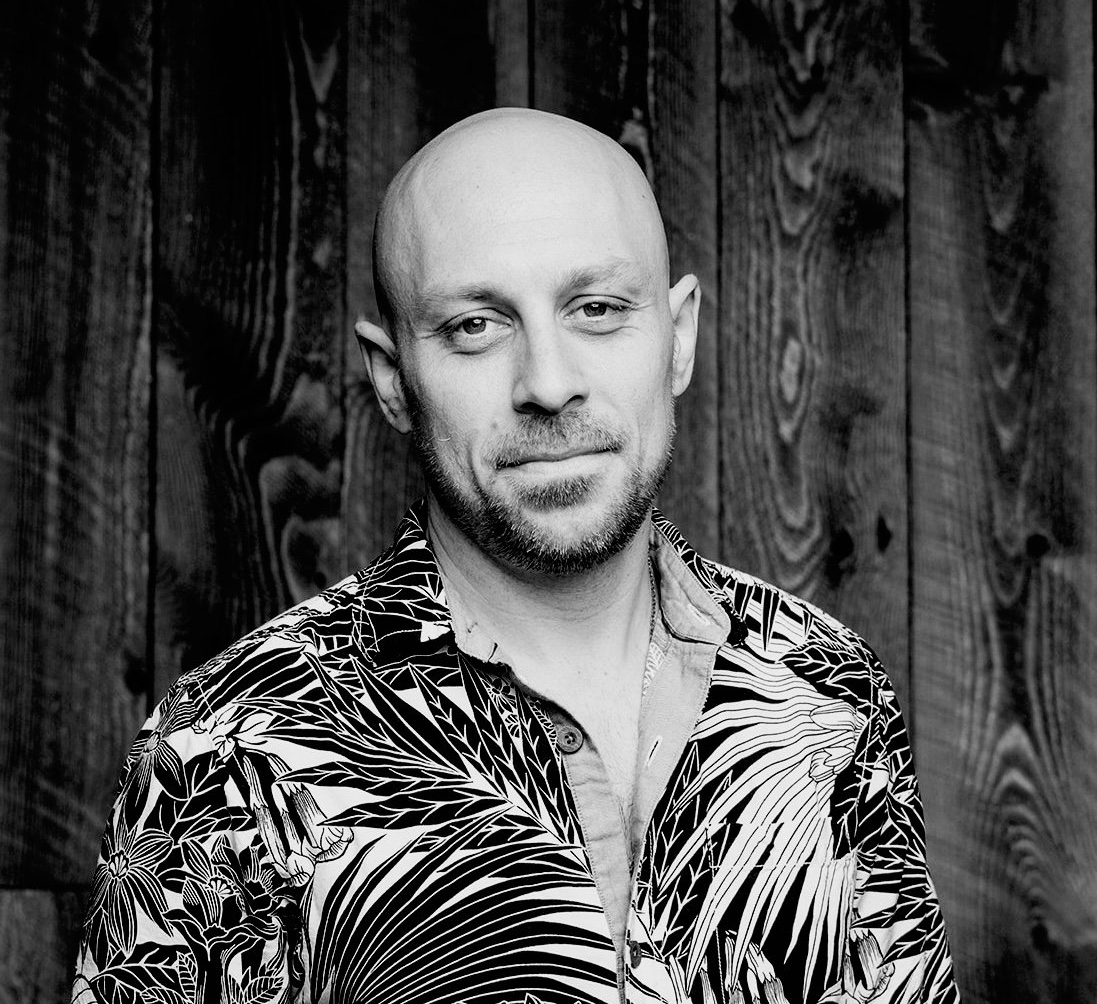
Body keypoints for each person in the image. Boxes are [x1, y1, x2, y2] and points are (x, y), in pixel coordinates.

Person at [73, 108, 960, 1004]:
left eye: (597, 309)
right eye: (475, 326)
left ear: (679, 337)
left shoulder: (831, 687)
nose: (547, 381)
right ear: (392, 380)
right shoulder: (222, 749)